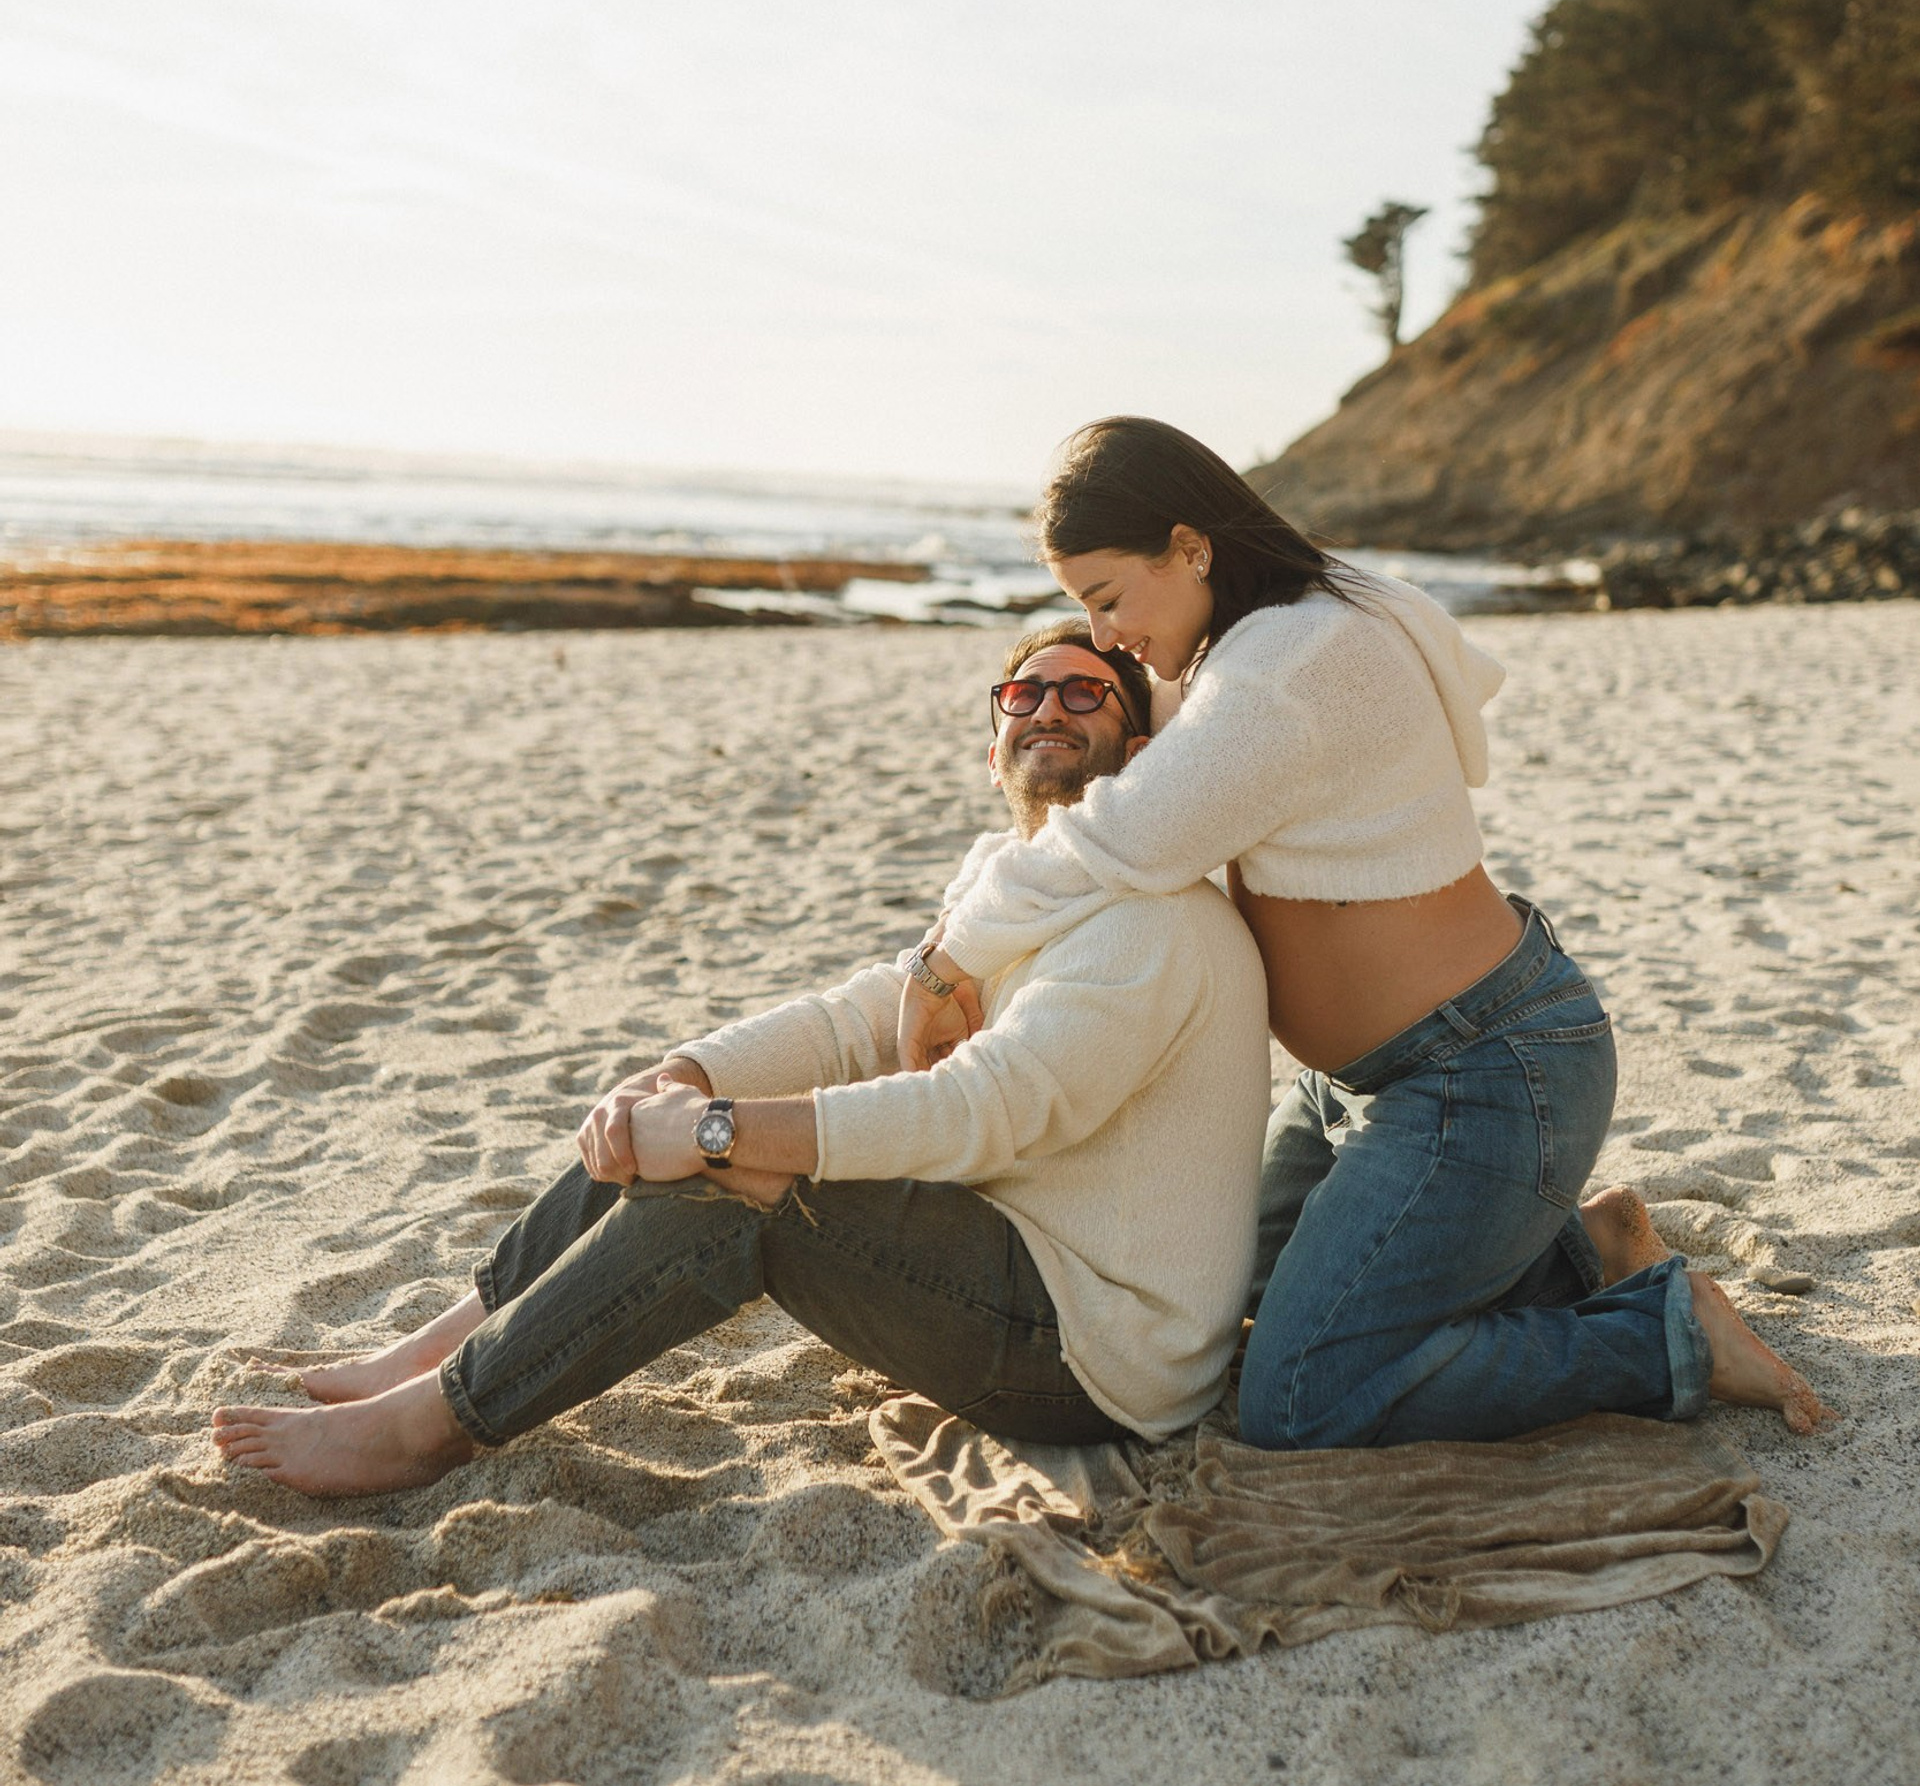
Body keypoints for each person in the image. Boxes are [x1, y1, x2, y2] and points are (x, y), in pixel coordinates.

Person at [901, 417, 1834, 1450]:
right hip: (1351, 1090)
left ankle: (1662, 1337)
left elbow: (1114, 838)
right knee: (1220, 1307)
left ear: (1191, 547)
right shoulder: (1257, 635)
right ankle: (1574, 1257)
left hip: (1482, 1072)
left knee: (1300, 1393)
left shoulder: (1290, 659)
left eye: (1108, 600)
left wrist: (945, 963)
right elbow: (1109, 768)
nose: (1108, 633)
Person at [211, 619, 1272, 1495]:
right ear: (993, 744)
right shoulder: (1018, 883)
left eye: (1086, 695)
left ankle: (430, 1427)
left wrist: (716, 1136)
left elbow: (979, 1110)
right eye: (1024, 694)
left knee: (729, 1185)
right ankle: (438, 1350)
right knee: (674, 1126)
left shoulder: (1150, 921)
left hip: (1096, 1351)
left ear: (1141, 757)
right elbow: (861, 1016)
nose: (1046, 709)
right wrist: (685, 1081)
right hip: (1012, 1252)